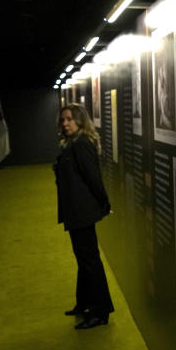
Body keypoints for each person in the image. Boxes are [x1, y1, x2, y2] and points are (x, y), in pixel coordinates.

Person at [53, 103, 114, 329]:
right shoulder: (72, 144)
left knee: (90, 262)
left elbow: (94, 178)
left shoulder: (81, 144)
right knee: (84, 259)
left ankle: (100, 312)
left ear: (79, 120)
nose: (65, 123)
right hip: (76, 212)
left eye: (69, 119)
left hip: (82, 212)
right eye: (63, 120)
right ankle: (84, 303)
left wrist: (105, 204)